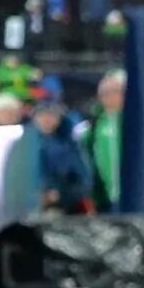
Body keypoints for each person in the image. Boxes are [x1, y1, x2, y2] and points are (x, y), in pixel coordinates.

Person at [28, 76, 94, 211]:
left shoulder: (70, 145)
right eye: (42, 115)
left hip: (60, 209)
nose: (46, 120)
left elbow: (84, 181)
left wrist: (59, 195)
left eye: (52, 115)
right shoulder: (23, 145)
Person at [88, 67, 124, 209]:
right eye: (105, 93)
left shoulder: (135, 122)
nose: (110, 97)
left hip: (131, 195)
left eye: (115, 92)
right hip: (104, 199)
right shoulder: (94, 125)